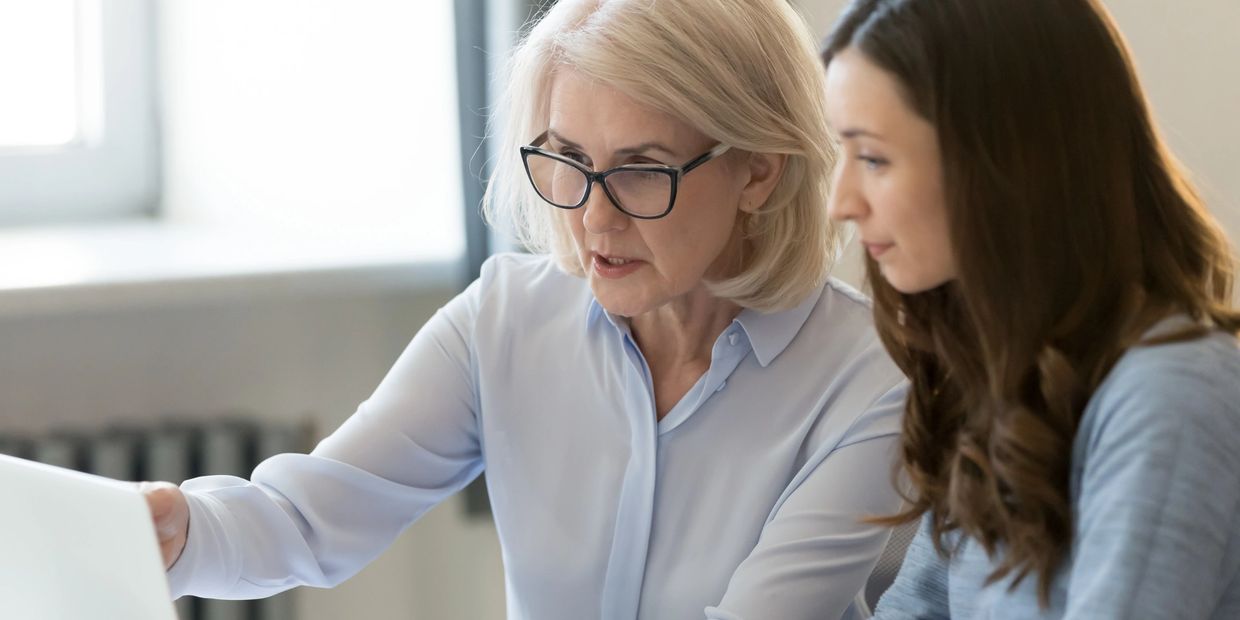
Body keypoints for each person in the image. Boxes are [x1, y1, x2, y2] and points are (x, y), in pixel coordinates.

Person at [140, 1, 909, 618]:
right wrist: (181, 530)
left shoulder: (871, 381)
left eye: (641, 171)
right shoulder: (504, 321)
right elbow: (306, 518)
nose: (594, 222)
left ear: (759, 173)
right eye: (569, 160)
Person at [820, 0, 1240, 617]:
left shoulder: (1170, 394)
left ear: (1004, 161)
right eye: (844, 154)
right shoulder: (1008, 378)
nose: (841, 202)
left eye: (874, 158)